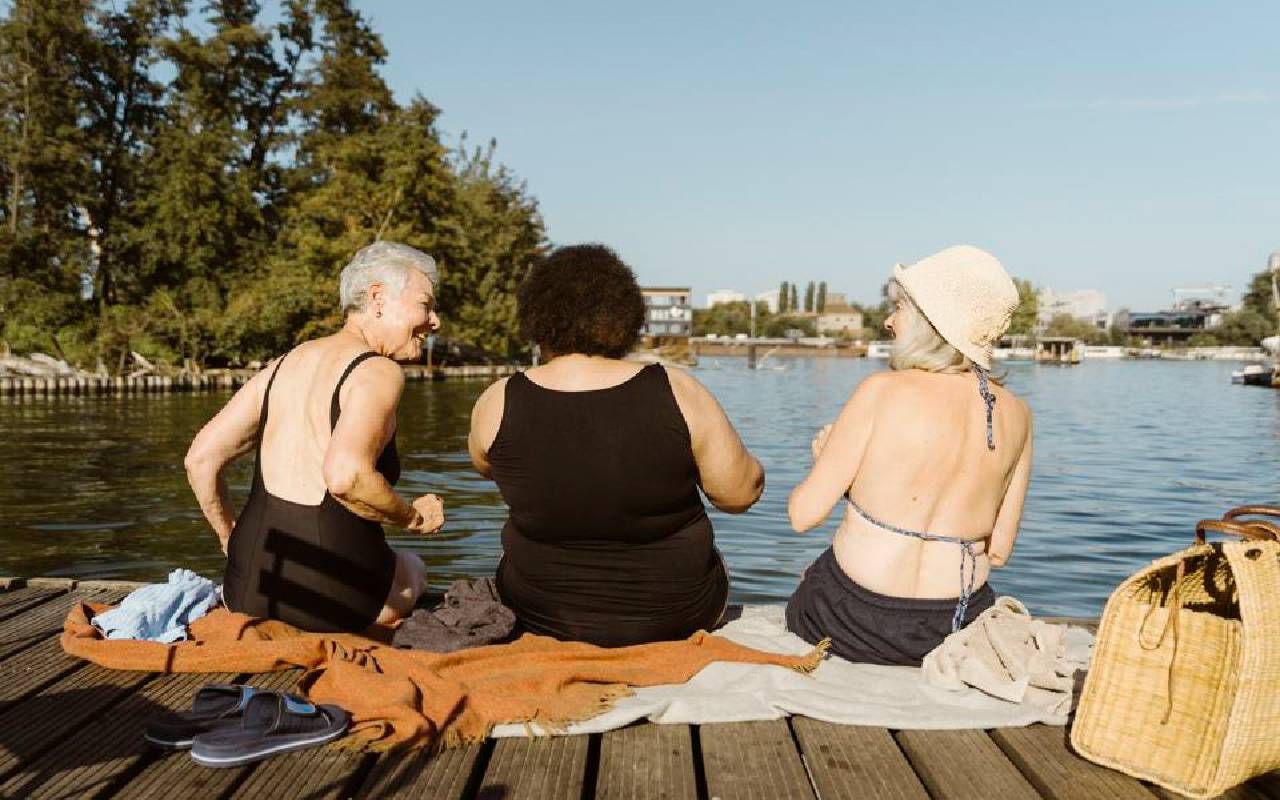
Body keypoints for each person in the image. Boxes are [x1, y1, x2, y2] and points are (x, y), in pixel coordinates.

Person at [468, 244, 764, 647]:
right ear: (625, 315)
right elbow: (738, 495)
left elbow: (487, 466)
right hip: (676, 616)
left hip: (542, 616)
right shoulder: (678, 390)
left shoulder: (497, 400)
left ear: (537, 315)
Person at [785, 244, 1033, 666]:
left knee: (810, 578)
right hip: (955, 623)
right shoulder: (1017, 414)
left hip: (854, 620)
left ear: (928, 323)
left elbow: (802, 516)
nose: (888, 320)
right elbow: (999, 549)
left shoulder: (881, 392)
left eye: (899, 307)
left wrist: (832, 468)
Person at [184, 242, 446, 633]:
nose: (435, 321)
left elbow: (200, 459)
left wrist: (230, 537)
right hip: (326, 606)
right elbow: (346, 476)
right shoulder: (378, 371)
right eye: (426, 304)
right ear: (377, 298)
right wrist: (414, 517)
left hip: (244, 592)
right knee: (413, 568)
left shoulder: (283, 363)